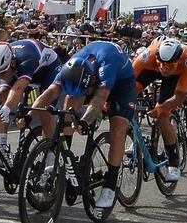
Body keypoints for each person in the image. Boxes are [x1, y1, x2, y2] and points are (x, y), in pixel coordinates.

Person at [20, 41, 136, 208]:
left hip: (121, 83)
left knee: (118, 126)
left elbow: (100, 98)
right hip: (88, 77)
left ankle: (110, 185)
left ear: (92, 80)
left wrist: (84, 121)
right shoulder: (70, 67)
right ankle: (65, 156)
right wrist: (29, 115)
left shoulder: (107, 63)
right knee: (69, 102)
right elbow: (50, 92)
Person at [133, 38, 187, 182]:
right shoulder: (147, 55)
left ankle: (173, 164)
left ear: (178, 60)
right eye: (162, 64)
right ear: (157, 58)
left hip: (177, 77)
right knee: (130, 95)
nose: (165, 68)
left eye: (170, 65)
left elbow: (179, 97)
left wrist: (161, 107)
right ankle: (134, 137)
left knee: (162, 116)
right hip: (150, 69)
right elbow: (128, 78)